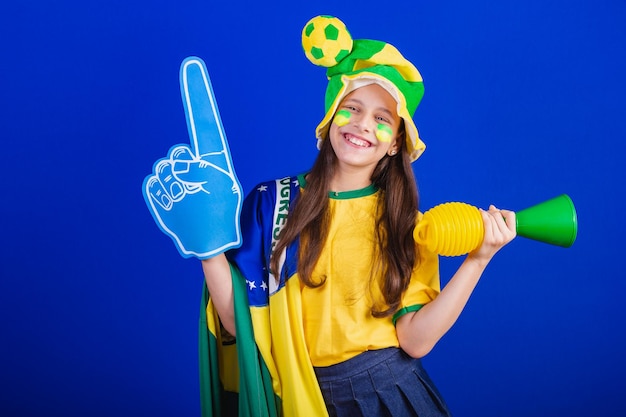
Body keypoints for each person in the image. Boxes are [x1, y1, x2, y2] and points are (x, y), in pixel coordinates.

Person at [200, 16, 516, 417]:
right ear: (332, 114)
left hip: (387, 395)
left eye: (382, 118)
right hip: (299, 396)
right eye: (352, 108)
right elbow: (237, 322)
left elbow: (414, 340)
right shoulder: (271, 203)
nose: (363, 125)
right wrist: (207, 245)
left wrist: (478, 259)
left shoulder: (405, 222)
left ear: (396, 142)